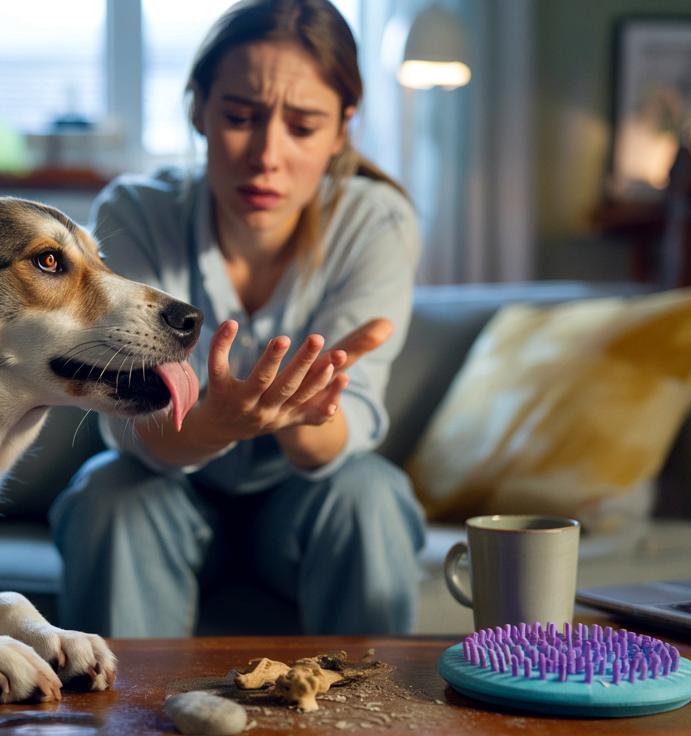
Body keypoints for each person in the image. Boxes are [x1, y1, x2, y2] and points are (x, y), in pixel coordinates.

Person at [49, 0, 426, 637]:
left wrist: (302, 416)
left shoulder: (377, 221)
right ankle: (125, 698)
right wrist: (217, 425)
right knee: (108, 494)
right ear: (198, 109)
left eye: (303, 127)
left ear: (342, 130)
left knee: (371, 492)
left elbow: (349, 425)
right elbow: (134, 419)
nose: (266, 155)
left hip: (304, 498)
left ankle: (373, 696)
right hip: (168, 491)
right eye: (240, 117)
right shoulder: (137, 212)